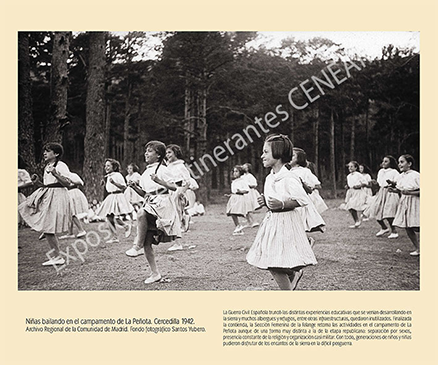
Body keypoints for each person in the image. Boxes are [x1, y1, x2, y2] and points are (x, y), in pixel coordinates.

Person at [246, 134, 317, 290]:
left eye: (265, 152)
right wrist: (266, 202)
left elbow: (302, 200)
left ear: (277, 154)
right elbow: (274, 202)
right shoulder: (270, 178)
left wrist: (282, 204)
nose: (261, 156)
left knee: (274, 262)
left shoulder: (289, 177)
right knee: (270, 261)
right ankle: (294, 273)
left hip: (287, 223)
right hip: (273, 223)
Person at [125, 141, 187, 284]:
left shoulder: (164, 170)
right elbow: (146, 194)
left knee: (140, 213)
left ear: (158, 155)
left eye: (150, 151)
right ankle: (155, 273)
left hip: (162, 204)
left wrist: (159, 181)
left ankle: (136, 246)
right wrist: (134, 187)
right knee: (148, 243)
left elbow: (173, 187)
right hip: (151, 202)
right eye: (146, 151)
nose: (146, 153)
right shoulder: (146, 172)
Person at [18, 143, 72, 266]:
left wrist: (55, 173)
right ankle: (55, 254)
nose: (44, 153)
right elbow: (48, 184)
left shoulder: (61, 165)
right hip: (48, 194)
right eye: (44, 151)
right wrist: (37, 182)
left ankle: (58, 257)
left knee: (48, 226)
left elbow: (68, 183)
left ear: (56, 154)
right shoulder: (47, 166)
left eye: (47, 151)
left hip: (58, 196)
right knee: (37, 216)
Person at [165, 144, 197, 251]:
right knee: (171, 216)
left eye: (169, 152)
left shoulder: (180, 166)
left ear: (176, 153)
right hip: (170, 191)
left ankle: (178, 243)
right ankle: (184, 219)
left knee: (175, 217)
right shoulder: (168, 166)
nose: (167, 155)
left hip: (178, 191)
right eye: (166, 153)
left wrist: (181, 192)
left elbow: (188, 182)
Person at [289, 147, 326, 236]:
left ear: (299, 158)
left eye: (293, 155)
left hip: (301, 200)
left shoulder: (305, 171)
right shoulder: (288, 171)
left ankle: (307, 237)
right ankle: (306, 239)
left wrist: (308, 186)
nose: (290, 157)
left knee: (300, 221)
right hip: (291, 200)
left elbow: (317, 184)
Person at [96, 158, 133, 244]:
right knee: (109, 217)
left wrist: (114, 183)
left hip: (118, 196)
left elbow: (124, 187)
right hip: (111, 196)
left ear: (114, 167)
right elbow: (109, 187)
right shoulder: (108, 176)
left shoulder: (117, 175)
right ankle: (115, 236)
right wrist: (105, 183)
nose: (106, 167)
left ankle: (125, 226)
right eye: (105, 166)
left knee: (115, 216)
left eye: (108, 166)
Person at [364, 156, 400, 238]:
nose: (383, 163)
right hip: (381, 192)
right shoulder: (381, 171)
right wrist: (375, 183)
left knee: (389, 212)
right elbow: (379, 184)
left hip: (390, 192)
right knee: (376, 210)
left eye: (386, 161)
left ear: (390, 163)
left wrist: (392, 183)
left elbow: (397, 183)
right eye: (383, 161)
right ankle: (384, 228)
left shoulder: (394, 172)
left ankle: (394, 231)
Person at [392, 155, 420, 256]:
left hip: (416, 202)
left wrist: (410, 193)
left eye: (402, 162)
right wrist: (394, 190)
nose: (399, 164)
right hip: (405, 202)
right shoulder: (401, 176)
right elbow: (401, 189)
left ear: (409, 164)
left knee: (418, 226)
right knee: (408, 226)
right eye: (399, 162)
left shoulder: (416, 175)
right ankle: (418, 248)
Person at [58, 172, 88, 239]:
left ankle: (81, 230)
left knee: (72, 212)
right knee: (69, 213)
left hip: (73, 192)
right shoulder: (60, 176)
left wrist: (71, 181)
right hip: (67, 193)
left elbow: (81, 183)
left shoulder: (72, 175)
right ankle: (70, 233)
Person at [225, 165, 250, 236]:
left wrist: (241, 191)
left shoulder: (242, 181)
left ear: (240, 172)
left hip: (239, 198)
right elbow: (234, 191)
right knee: (231, 212)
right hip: (234, 197)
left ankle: (239, 225)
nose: (235, 173)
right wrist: (230, 195)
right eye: (234, 171)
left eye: (236, 171)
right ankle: (238, 228)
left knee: (234, 212)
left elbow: (247, 190)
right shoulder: (234, 181)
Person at [344, 161, 368, 228]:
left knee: (355, 206)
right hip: (351, 192)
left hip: (358, 192)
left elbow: (365, 183)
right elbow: (350, 184)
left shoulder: (358, 175)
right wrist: (348, 186)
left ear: (355, 167)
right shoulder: (348, 176)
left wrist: (359, 186)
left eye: (351, 166)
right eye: (349, 166)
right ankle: (356, 221)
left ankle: (362, 217)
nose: (350, 168)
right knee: (350, 207)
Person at [242, 163, 261, 228]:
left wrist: (248, 185)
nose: (243, 168)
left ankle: (254, 221)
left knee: (248, 208)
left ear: (248, 169)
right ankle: (249, 222)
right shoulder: (242, 176)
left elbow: (254, 184)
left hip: (249, 193)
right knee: (244, 208)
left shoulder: (250, 176)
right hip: (243, 193)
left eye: (245, 167)